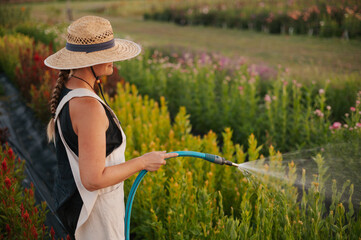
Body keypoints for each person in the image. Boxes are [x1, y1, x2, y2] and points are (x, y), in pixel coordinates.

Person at [44, 16, 178, 240]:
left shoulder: (71, 91)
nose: (113, 60)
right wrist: (143, 162)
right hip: (97, 220)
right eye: (106, 55)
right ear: (87, 62)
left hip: (85, 213)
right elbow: (93, 179)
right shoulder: (88, 107)